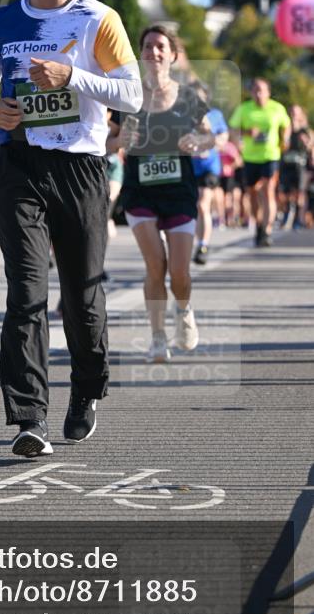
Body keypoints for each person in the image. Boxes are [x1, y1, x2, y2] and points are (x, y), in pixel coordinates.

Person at [0, 0, 142, 457]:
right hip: (18, 163)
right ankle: (28, 418)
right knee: (25, 292)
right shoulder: (0, 22)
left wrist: (74, 76)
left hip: (81, 167)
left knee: (81, 295)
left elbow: (132, 94)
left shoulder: (98, 19)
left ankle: (86, 393)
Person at [108, 26, 216, 364]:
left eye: (160, 46)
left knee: (180, 274)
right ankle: (157, 338)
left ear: (172, 55)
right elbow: (106, 143)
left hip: (180, 193)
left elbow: (213, 139)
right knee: (156, 265)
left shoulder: (187, 97)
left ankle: (183, 311)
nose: (153, 52)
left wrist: (198, 143)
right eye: (148, 46)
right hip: (140, 193)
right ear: (140, 54)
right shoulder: (128, 98)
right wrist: (121, 141)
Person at [228, 78, 290, 247]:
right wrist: (246, 133)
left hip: (271, 155)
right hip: (250, 157)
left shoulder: (277, 108)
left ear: (268, 92)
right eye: (255, 90)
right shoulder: (244, 108)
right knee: (252, 193)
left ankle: (267, 230)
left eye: (261, 90)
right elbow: (233, 128)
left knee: (269, 190)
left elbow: (286, 125)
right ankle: (259, 225)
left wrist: (285, 138)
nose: (258, 93)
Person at [191, 87, 229, 265]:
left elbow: (223, 139)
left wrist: (211, 139)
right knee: (197, 208)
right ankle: (199, 242)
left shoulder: (215, 115)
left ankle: (203, 245)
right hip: (191, 167)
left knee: (203, 204)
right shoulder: (184, 115)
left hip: (210, 167)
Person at [279, 105, 313, 229]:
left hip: (301, 166)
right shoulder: (285, 129)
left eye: (296, 113)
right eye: (292, 112)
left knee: (300, 193)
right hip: (286, 164)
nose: (294, 115)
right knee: (286, 193)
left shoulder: (305, 131)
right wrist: (285, 137)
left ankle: (298, 219)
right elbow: (282, 146)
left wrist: (308, 143)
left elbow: (311, 147)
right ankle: (287, 215)